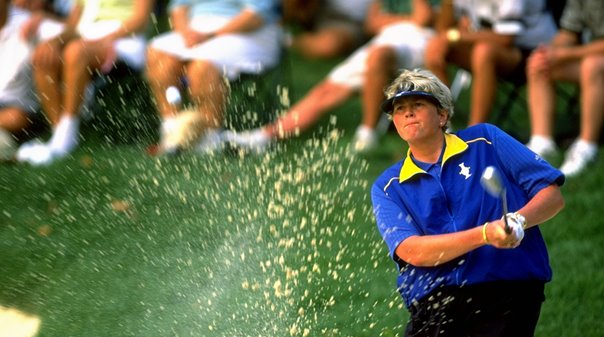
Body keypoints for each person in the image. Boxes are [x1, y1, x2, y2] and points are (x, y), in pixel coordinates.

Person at [371, 68, 565, 337]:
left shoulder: (486, 140)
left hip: (505, 291)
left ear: (443, 114)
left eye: (417, 104)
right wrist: (486, 234)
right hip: (433, 302)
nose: (406, 113)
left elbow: (551, 195)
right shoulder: (388, 186)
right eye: (398, 110)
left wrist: (518, 220)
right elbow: (412, 251)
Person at [226, 0, 439, 153]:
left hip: (422, 43)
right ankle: (265, 136)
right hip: (386, 40)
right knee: (327, 90)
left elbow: (424, 18)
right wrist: (404, 20)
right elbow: (372, 23)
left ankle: (367, 134)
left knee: (378, 56)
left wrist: (397, 20)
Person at [15, 0, 153, 165]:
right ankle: (60, 133)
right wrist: (53, 41)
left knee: (76, 52)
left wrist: (106, 39)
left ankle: (64, 138)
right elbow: (73, 25)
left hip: (124, 39)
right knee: (43, 55)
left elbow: (140, 19)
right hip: (85, 38)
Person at [145, 0, 283, 156]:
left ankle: (209, 139)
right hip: (197, 29)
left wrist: (210, 35)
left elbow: (258, 14)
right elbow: (178, 6)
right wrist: (185, 32)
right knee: (158, 53)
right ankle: (172, 132)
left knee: (203, 65)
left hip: (249, 33)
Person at [424, 0, 557, 127]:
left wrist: (454, 36)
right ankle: (443, 121)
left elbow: (506, 38)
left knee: (484, 52)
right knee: (435, 46)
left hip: (534, 50)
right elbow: (443, 29)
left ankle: (475, 131)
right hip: (488, 45)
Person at [525, 0, 604, 177]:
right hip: (595, 58)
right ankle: (542, 143)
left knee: (592, 66)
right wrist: (548, 51)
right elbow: (569, 33)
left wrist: (565, 54)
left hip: (596, 62)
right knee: (540, 63)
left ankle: (587, 147)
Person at [0, 0, 64, 161]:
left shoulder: (29, 23)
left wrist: (54, 43)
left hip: (20, 110)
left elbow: (72, 33)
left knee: (17, 118)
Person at [282, 0, 372, 60]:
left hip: (351, 22)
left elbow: (373, 24)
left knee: (330, 44)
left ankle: (287, 41)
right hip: (320, 7)